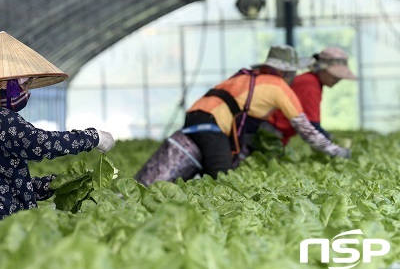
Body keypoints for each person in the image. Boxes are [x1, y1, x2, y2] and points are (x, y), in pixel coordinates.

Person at [0, 31, 115, 221]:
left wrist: (60, 182)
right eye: (23, 84)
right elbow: (40, 143)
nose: (26, 91)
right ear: (1, 83)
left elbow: (7, 184)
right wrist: (92, 137)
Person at [135, 45, 350, 186]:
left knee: (199, 163)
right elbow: (307, 130)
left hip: (195, 117)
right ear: (287, 72)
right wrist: (336, 151)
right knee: (222, 180)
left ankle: (149, 191)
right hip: (212, 125)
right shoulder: (279, 88)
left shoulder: (248, 77)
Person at [269, 47, 357, 145]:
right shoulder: (310, 84)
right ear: (322, 69)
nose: (338, 80)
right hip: (270, 130)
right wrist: (333, 144)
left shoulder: (312, 82)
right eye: (335, 76)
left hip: (276, 132)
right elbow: (312, 125)